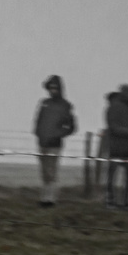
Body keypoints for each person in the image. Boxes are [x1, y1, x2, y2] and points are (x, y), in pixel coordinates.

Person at [32, 75, 75, 207]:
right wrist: (38, 133)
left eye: (55, 88)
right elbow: (38, 120)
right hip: (42, 143)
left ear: (60, 88)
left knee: (52, 171)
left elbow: (71, 127)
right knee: (44, 172)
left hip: (55, 145)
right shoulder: (44, 103)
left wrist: (58, 135)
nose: (53, 90)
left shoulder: (65, 105)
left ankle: (50, 199)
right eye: (51, 88)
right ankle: (44, 197)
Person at [102, 84, 128, 209]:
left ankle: (125, 202)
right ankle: (111, 201)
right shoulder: (114, 107)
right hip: (116, 147)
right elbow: (113, 127)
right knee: (112, 176)